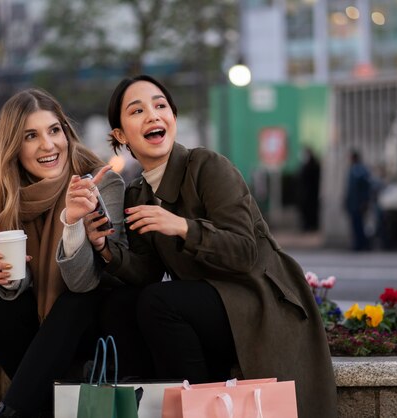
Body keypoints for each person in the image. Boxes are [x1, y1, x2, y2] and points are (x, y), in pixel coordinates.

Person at [62, 75, 338, 418]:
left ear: (173, 118)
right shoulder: (138, 193)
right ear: (120, 135)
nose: (153, 115)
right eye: (137, 111)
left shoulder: (208, 166)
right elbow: (146, 271)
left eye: (161, 106)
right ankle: (152, 402)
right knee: (121, 302)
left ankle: (199, 409)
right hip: (211, 304)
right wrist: (104, 247)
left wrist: (181, 227)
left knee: (159, 302)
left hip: (258, 299)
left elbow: (244, 252)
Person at [0, 88, 129, 418]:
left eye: (54, 130)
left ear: (66, 133)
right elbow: (25, 287)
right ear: (14, 148)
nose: (48, 145)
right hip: (51, 330)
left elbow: (86, 282)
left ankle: (12, 411)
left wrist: (73, 221)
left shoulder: (102, 183)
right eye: (31, 136)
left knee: (75, 302)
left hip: (103, 325)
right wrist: (10, 280)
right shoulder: (9, 198)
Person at [344, 149, 372, 251]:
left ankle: (362, 244)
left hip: (358, 204)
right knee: (355, 225)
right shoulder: (352, 170)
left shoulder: (360, 170)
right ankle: (358, 244)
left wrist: (365, 202)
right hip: (353, 204)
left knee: (359, 225)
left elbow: (365, 188)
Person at [298, 146, 321, 231]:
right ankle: (306, 225)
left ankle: (311, 226)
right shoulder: (304, 165)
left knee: (311, 211)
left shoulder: (313, 165)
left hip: (311, 195)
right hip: (305, 194)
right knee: (305, 212)